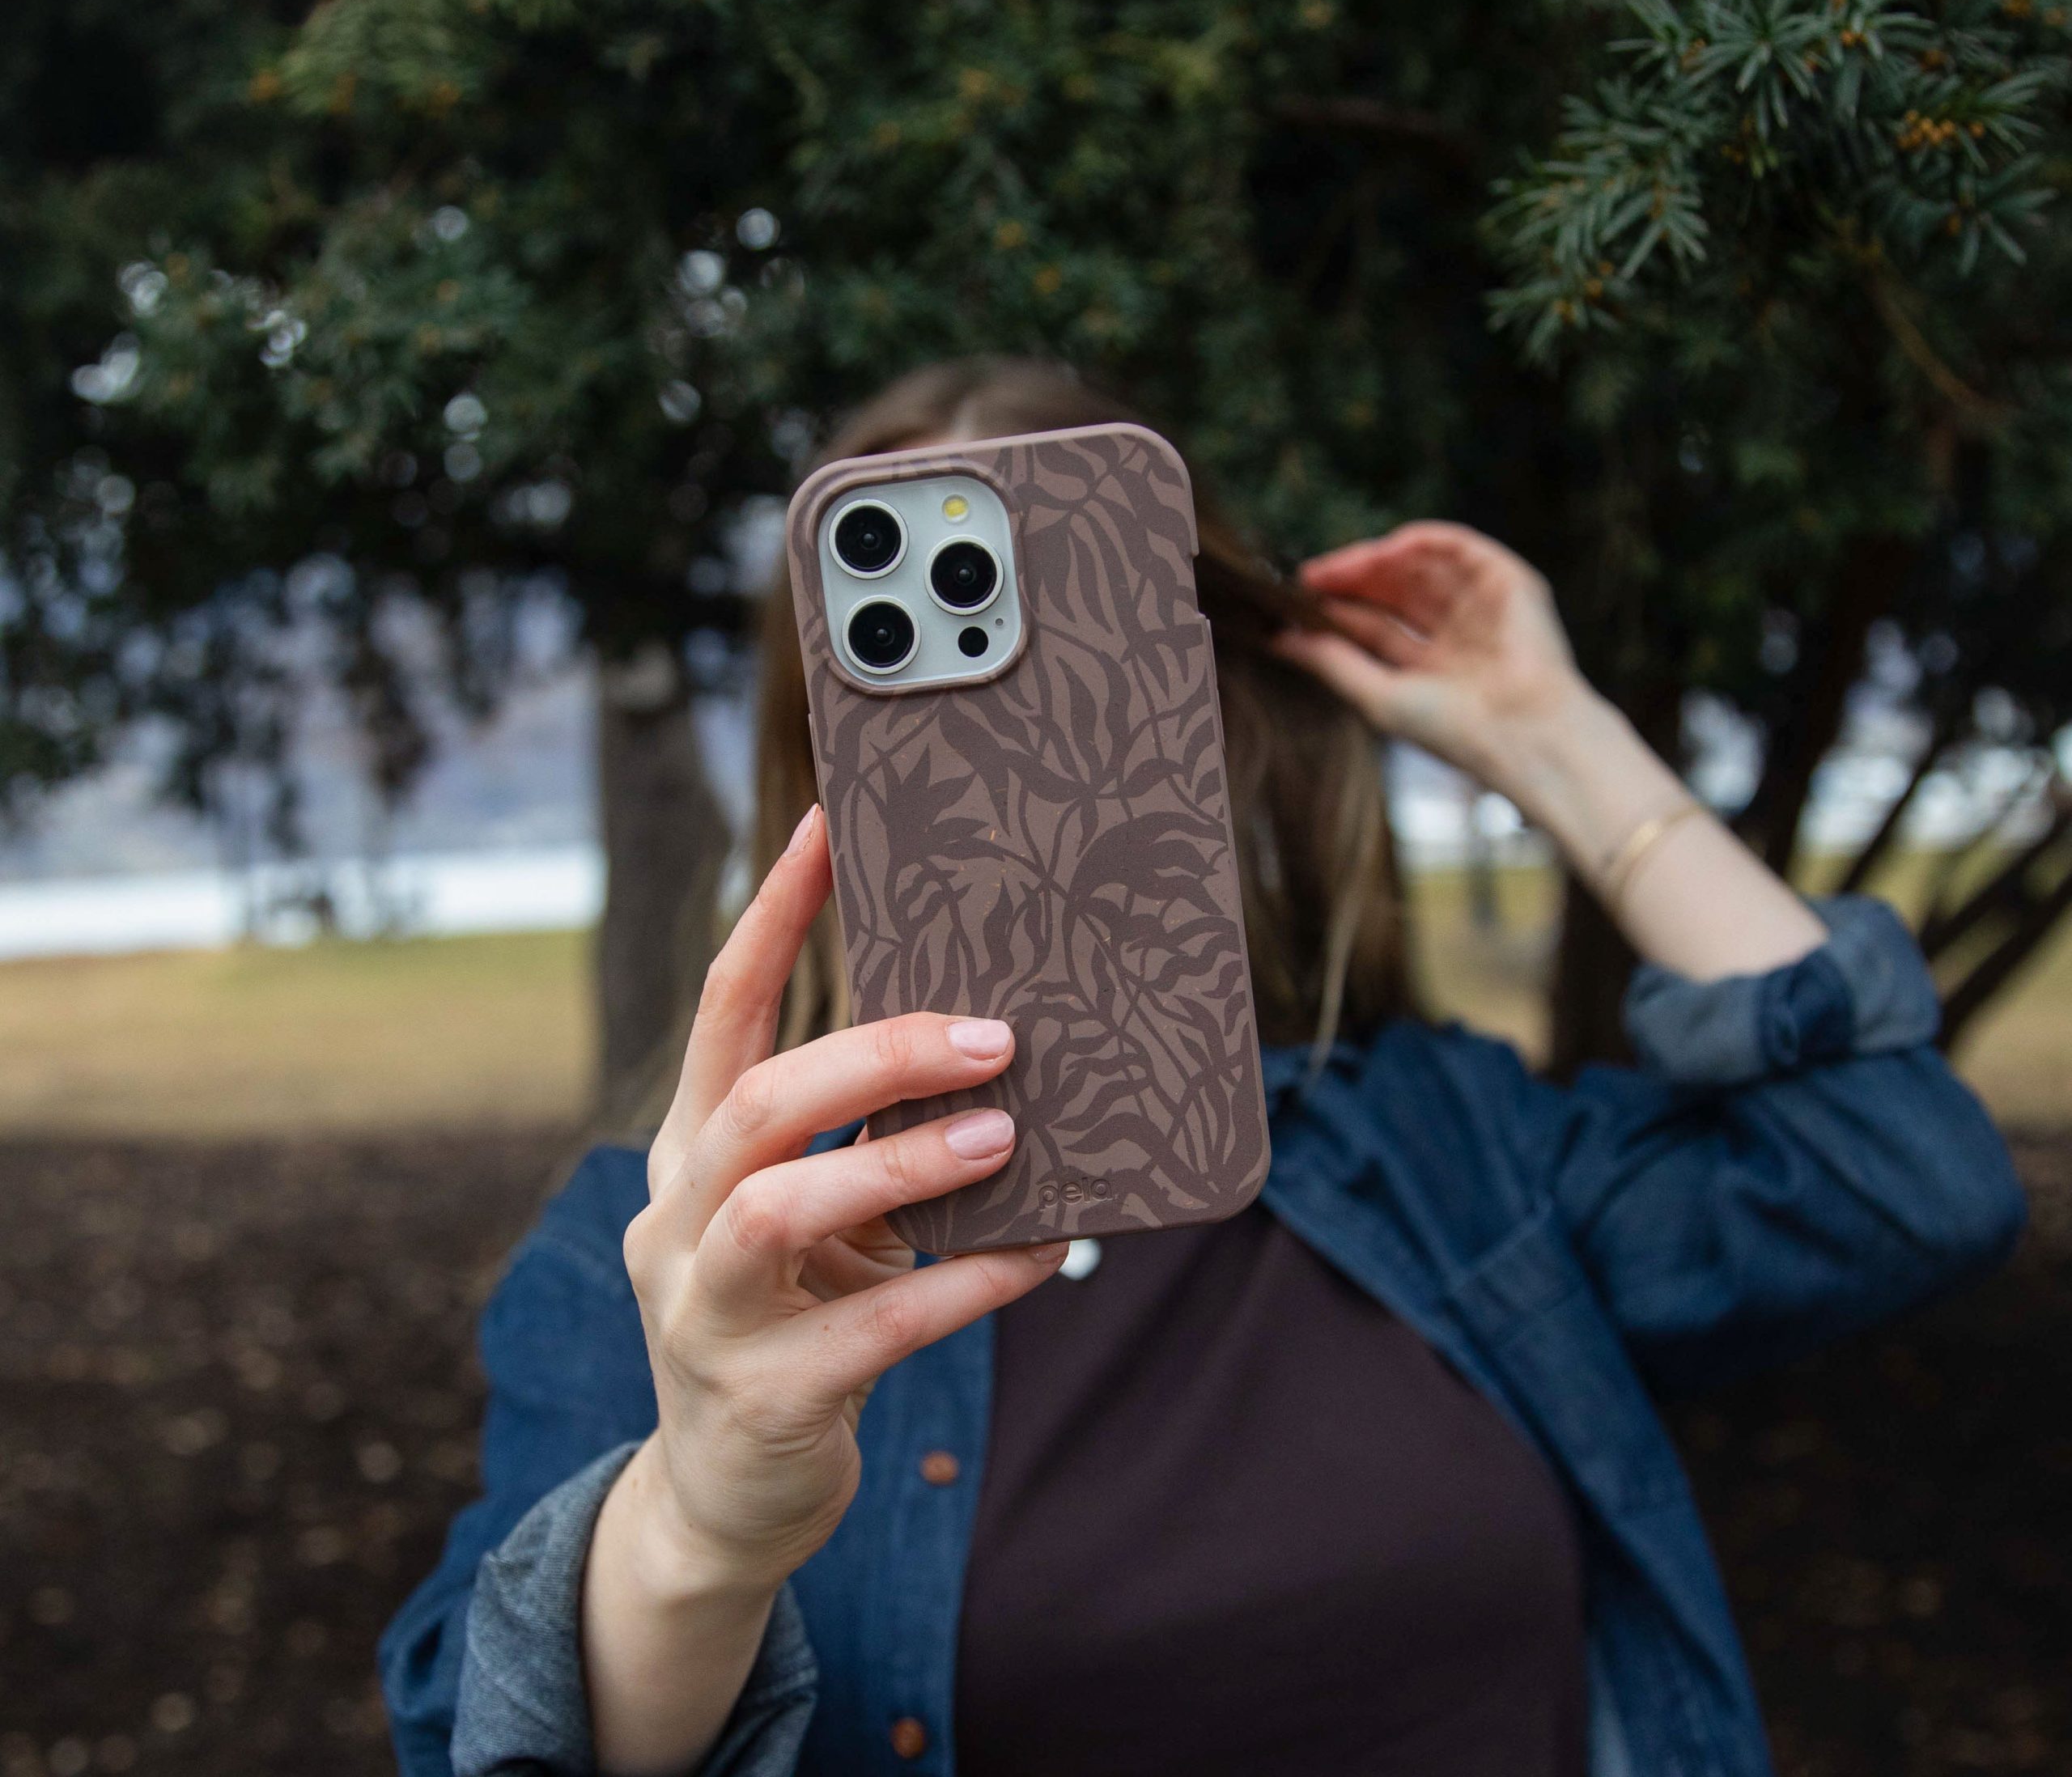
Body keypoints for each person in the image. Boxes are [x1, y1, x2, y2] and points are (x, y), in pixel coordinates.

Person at [381, 358, 2025, 1777]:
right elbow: (488, 1728)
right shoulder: (680, 1256)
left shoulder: (1441, 1145)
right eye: (931, 719)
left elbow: (1901, 1175)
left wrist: (1551, 737)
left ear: (1213, 721)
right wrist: (695, 1522)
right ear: (829, 761)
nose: (1019, 774)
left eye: (1092, 692)